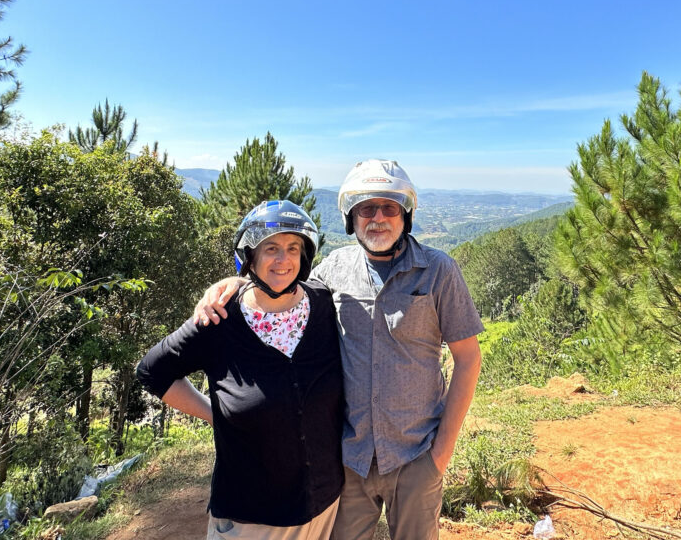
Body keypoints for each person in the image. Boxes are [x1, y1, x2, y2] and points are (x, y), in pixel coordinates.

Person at [195, 160, 483, 540]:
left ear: (406, 214)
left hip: (416, 455)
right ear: (351, 217)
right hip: (349, 460)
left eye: (389, 207)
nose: (378, 218)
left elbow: (468, 359)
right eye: (366, 208)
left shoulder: (438, 271)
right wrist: (233, 282)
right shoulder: (334, 270)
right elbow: (282, 288)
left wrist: (439, 457)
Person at [138, 200, 344, 540]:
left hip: (322, 504)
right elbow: (152, 371)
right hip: (251, 515)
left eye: (293, 248)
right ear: (250, 257)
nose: (284, 259)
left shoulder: (323, 304)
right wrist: (216, 414)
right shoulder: (220, 318)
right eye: (271, 249)